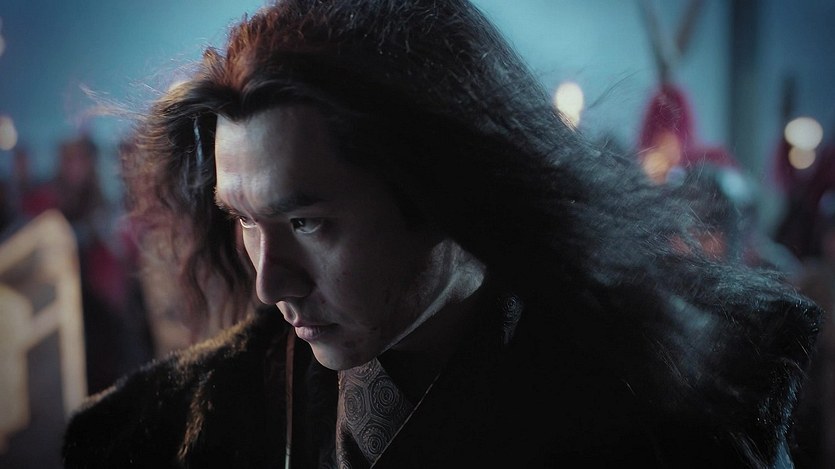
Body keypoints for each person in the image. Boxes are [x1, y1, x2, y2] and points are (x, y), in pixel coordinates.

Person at [61, 0, 821, 467]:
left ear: (448, 194)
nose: (269, 282)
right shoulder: (178, 429)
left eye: (306, 221)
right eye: (244, 222)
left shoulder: (672, 419)